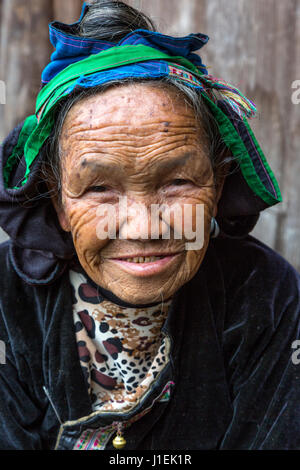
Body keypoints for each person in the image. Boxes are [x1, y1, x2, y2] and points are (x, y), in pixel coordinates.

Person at [0, 0, 299, 451]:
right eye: (100, 187)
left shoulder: (264, 295)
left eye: (177, 181)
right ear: (59, 200)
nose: (143, 225)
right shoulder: (7, 298)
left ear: (217, 186)